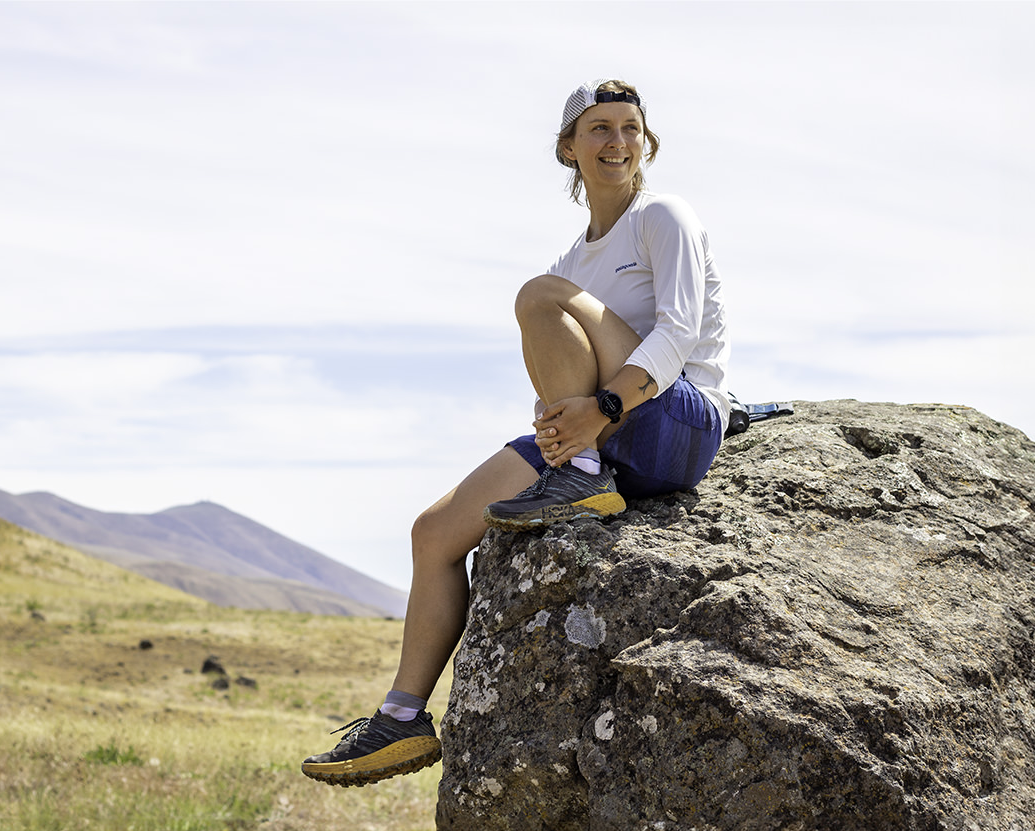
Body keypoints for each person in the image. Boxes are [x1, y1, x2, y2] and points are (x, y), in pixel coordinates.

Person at [301, 78, 731, 787]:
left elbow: (679, 333)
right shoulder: (576, 259)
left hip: (675, 424)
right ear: (569, 148)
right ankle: (402, 720)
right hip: (604, 433)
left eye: (630, 128)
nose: (617, 142)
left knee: (537, 295)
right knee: (433, 533)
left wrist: (601, 412)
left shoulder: (664, 216)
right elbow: (557, 369)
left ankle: (584, 477)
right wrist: (559, 420)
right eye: (598, 129)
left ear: (646, 143)